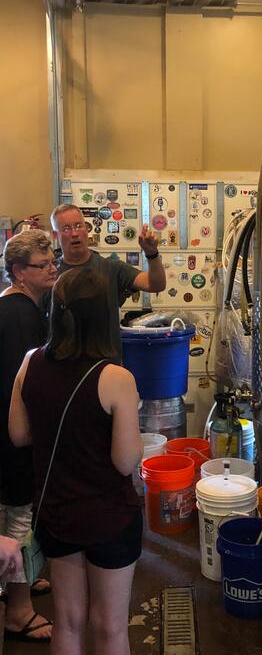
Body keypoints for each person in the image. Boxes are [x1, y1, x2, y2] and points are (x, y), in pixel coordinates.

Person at [9, 266, 144, 655]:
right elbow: (125, 462)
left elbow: (19, 435)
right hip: (109, 518)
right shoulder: (116, 378)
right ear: (103, 317)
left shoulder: (30, 362)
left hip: (56, 513)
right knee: (111, 627)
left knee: (67, 621)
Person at [0, 230, 56, 643]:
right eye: (43, 264)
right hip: (9, 437)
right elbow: (22, 386)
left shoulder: (14, 305)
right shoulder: (21, 315)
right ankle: (18, 611)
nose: (52, 268)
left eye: (53, 260)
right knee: (17, 515)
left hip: (7, 433)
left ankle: (24, 577)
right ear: (19, 271)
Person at [50, 203, 166, 357]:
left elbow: (155, 284)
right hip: (64, 363)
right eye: (66, 229)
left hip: (106, 364)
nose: (74, 233)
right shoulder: (49, 273)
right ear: (55, 235)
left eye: (78, 226)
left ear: (87, 228)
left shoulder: (111, 268)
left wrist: (152, 254)